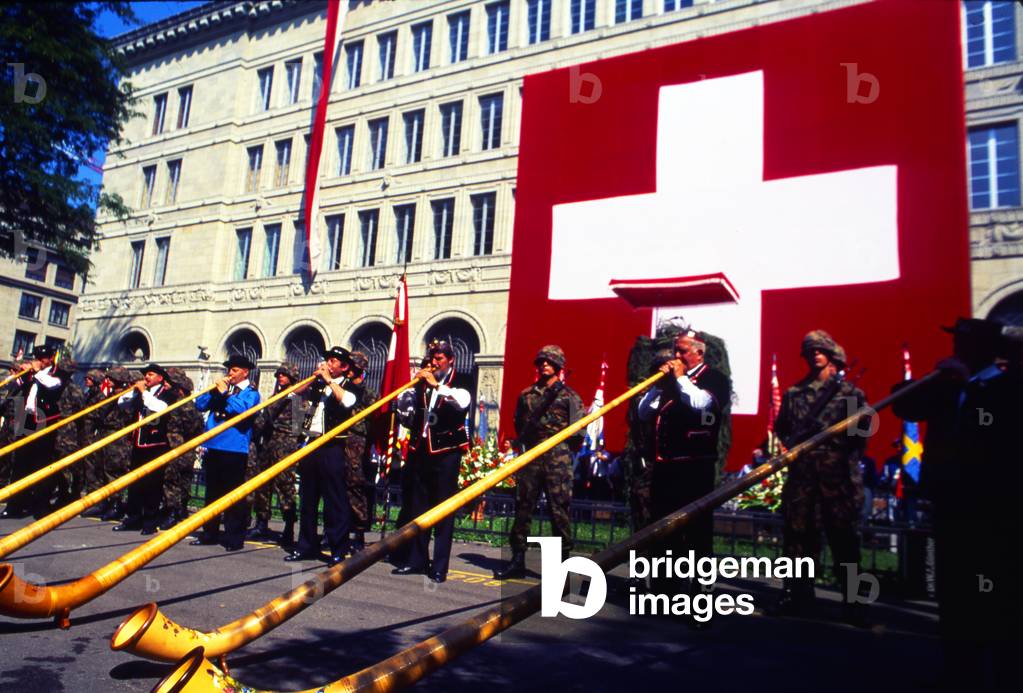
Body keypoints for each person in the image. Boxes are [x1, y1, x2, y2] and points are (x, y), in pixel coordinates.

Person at [892, 317, 1021, 688]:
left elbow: (996, 429)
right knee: (956, 595)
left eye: (964, 344)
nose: (956, 350)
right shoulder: (946, 390)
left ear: (984, 349)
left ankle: (1003, 670)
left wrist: (967, 384)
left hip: (995, 514)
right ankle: (959, 668)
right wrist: (933, 379)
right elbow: (904, 404)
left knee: (995, 594)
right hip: (952, 508)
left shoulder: (1008, 389)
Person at [773, 330, 866, 624]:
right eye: (810, 350)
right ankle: (797, 597)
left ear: (833, 356)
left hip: (837, 478)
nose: (815, 354)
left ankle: (854, 604)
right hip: (802, 479)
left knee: (845, 542)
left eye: (820, 350)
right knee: (798, 540)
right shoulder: (793, 393)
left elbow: (860, 438)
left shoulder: (851, 394)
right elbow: (783, 429)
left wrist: (829, 442)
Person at [637, 330, 730, 614]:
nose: (676, 357)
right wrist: (656, 386)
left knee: (698, 535)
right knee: (664, 532)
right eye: (676, 351)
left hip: (695, 468)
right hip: (666, 467)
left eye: (683, 352)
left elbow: (701, 404)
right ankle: (665, 594)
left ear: (699, 353)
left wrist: (679, 379)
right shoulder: (670, 383)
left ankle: (702, 598)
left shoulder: (715, 379)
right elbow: (643, 412)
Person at [494, 345, 583, 580]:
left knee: (558, 511)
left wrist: (559, 449)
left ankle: (561, 566)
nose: (545, 364)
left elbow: (578, 433)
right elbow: (518, 423)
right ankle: (517, 559)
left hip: (558, 460)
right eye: (541, 361)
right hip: (532, 457)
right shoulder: (526, 395)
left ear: (558, 366)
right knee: (523, 507)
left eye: (550, 361)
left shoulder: (569, 396)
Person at [392, 340, 472, 583]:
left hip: (446, 453)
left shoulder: (460, 382)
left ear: (450, 360)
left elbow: (462, 403)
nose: (435, 363)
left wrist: (436, 385)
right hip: (421, 452)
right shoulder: (421, 387)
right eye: (433, 359)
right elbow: (405, 412)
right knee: (418, 508)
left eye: (440, 359)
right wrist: (414, 388)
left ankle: (439, 566)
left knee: (443, 511)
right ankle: (416, 560)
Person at [285, 347, 364, 565]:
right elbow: (293, 394)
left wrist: (330, 380)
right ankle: (306, 545)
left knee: (334, 500)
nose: (328, 364)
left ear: (344, 366)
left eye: (333, 361)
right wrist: (313, 378)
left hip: (333, 447)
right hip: (311, 444)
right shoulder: (317, 384)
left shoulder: (349, 386)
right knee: (308, 499)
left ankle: (339, 548)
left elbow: (347, 402)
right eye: (327, 360)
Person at [192, 355, 260, 551]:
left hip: (234, 449)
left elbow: (244, 410)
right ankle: (209, 532)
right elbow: (200, 404)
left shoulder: (251, 393)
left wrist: (226, 395)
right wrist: (214, 391)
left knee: (232, 496)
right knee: (211, 493)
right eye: (229, 369)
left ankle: (233, 537)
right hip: (214, 446)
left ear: (245, 372)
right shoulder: (222, 389)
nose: (230, 373)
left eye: (235, 370)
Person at [3, 345, 69, 519]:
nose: (41, 361)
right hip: (26, 420)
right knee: (20, 464)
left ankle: (41, 506)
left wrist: (36, 372)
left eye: (44, 358)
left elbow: (52, 386)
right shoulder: (30, 374)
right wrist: (19, 373)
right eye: (38, 358)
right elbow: (13, 386)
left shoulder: (58, 373)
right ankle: (14, 506)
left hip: (44, 421)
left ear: (51, 357)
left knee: (41, 465)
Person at [114, 363, 178, 534]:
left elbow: (159, 408)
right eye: (145, 375)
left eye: (150, 374)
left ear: (160, 377)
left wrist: (144, 393)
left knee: (152, 485)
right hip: (138, 443)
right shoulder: (142, 393)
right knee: (135, 484)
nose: (146, 378)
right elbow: (121, 403)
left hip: (155, 444)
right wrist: (135, 391)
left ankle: (150, 521)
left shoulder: (168, 394)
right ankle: (133, 518)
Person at [247, 362, 304, 545]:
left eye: (284, 374)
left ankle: (288, 527)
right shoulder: (277, 396)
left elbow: (298, 427)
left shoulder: (297, 398)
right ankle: (261, 522)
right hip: (269, 443)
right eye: (278, 374)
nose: (280, 377)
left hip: (285, 445)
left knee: (285, 486)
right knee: (263, 486)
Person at [85, 366, 134, 521]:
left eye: (112, 378)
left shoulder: (127, 396)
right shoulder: (110, 395)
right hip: (104, 433)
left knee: (113, 471)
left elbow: (126, 414)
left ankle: (116, 504)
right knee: (99, 467)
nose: (109, 381)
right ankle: (102, 502)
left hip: (116, 435)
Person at [160, 367, 204, 530]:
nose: (165, 385)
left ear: (178, 388)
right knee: (183, 481)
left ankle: (173, 512)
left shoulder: (181, 406)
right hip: (185, 449)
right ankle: (180, 510)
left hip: (177, 448)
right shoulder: (188, 406)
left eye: (168, 383)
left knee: (172, 481)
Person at [343, 351, 378, 554]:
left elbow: (370, 420)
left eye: (352, 366)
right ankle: (340, 531)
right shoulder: (341, 388)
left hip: (358, 444)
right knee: (340, 487)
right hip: (340, 442)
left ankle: (359, 532)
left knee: (357, 487)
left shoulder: (369, 393)